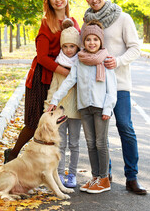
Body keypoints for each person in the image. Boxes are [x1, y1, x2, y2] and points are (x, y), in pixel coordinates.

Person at [4, 0, 80, 163]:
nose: (58, 0)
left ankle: (45, 164)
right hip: (43, 76)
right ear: (48, 2)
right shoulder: (47, 23)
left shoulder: (74, 22)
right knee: (36, 121)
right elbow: (42, 57)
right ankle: (13, 154)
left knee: (55, 122)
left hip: (63, 79)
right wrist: (65, 72)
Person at [82, 0, 147, 195]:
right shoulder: (87, 21)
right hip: (97, 87)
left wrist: (117, 61)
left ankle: (132, 177)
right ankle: (104, 174)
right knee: (101, 136)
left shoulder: (123, 18)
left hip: (119, 84)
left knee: (125, 128)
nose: (94, 0)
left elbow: (135, 48)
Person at [48, 20, 117, 194]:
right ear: (83, 42)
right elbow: (69, 82)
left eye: (95, 39)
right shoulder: (80, 61)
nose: (91, 43)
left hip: (101, 109)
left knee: (101, 143)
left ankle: (104, 178)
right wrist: (55, 100)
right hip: (85, 108)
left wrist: (108, 108)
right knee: (90, 143)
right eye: (88, 39)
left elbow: (112, 89)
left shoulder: (106, 61)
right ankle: (95, 177)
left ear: (100, 41)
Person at [43, 18, 81, 188]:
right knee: (61, 144)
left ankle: (72, 174)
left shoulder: (83, 64)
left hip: (78, 111)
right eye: (65, 46)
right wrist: (48, 106)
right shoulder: (59, 65)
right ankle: (59, 174)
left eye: (72, 46)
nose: (68, 50)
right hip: (61, 111)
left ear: (78, 46)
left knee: (74, 143)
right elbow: (53, 88)